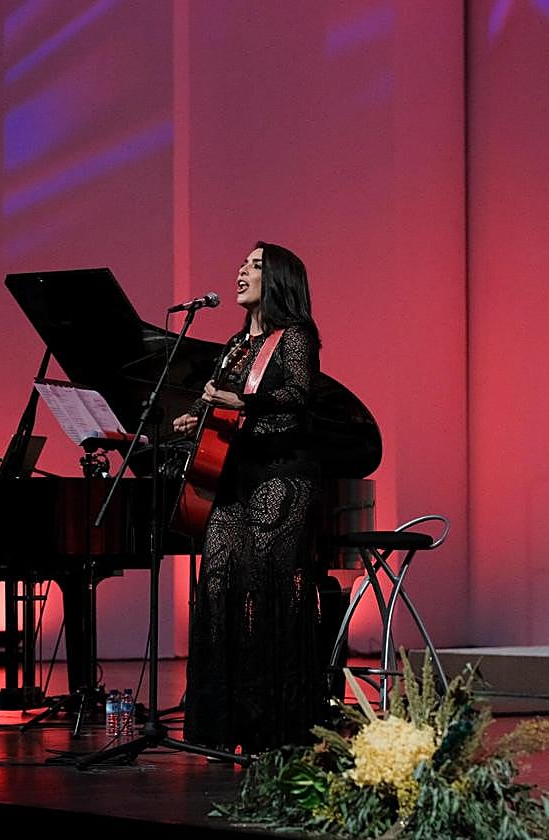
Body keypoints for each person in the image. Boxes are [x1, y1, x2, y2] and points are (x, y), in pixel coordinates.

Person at [173, 242, 326, 755]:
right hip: (234, 477)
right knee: (217, 584)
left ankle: (275, 727)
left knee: (265, 585)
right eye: (242, 262)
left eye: (255, 266)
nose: (242, 270)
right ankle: (224, 722)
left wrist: (244, 401)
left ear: (279, 279)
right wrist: (196, 416)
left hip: (282, 474)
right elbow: (213, 399)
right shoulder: (236, 345)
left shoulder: (296, 338)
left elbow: (299, 395)